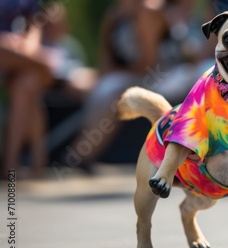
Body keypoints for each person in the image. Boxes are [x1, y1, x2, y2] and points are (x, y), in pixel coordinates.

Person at [64, 0, 168, 172]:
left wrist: (113, 75)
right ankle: (78, 150)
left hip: (159, 76)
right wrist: (102, 76)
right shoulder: (114, 14)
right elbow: (105, 60)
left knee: (115, 93)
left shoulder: (148, 11)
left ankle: (81, 155)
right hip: (124, 74)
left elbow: (150, 64)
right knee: (85, 84)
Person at [0, 0, 53, 178]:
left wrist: (27, 48)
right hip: (7, 51)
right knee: (37, 72)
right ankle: (43, 68)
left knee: (27, 84)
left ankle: (11, 164)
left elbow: (34, 27)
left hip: (17, 59)